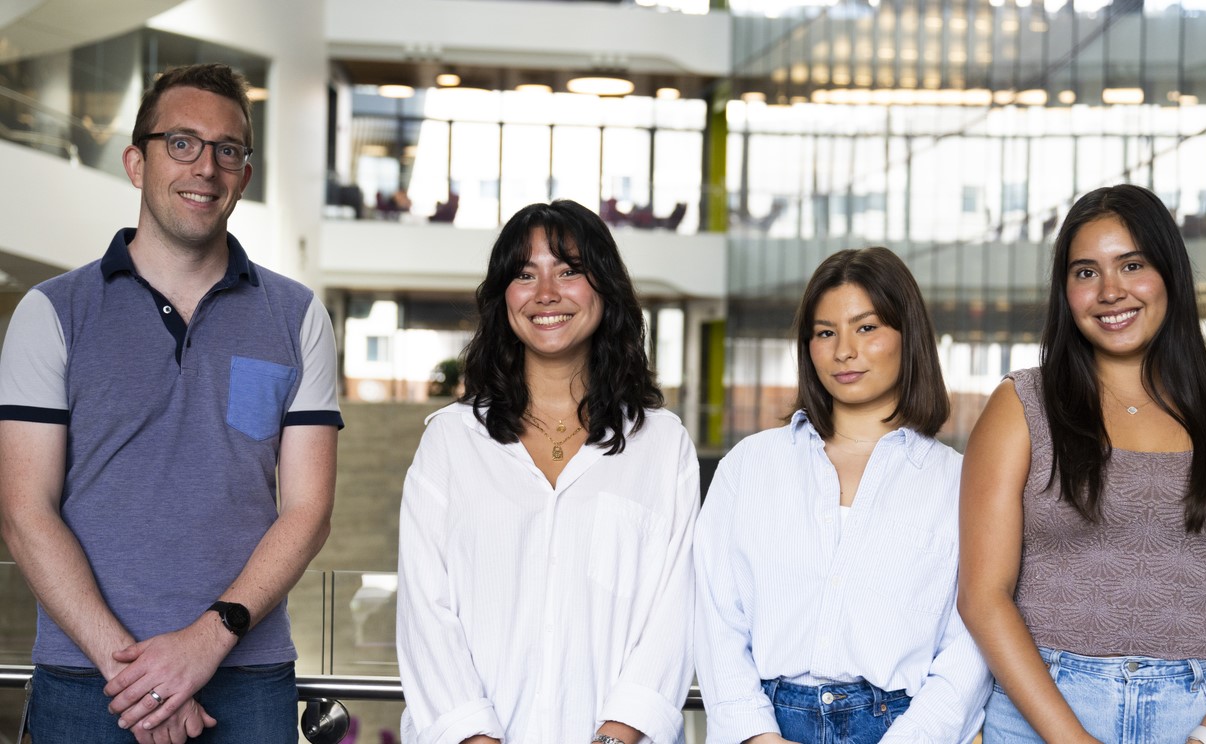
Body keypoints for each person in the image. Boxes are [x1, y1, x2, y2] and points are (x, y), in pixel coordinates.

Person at [0, 63, 342, 743]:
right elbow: (22, 512)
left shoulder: (298, 316)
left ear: (244, 175)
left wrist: (204, 644)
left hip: (245, 678)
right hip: (88, 680)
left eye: (227, 150)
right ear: (136, 161)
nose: (205, 168)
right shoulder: (52, 312)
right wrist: (140, 675)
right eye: (181, 143)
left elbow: (307, 510)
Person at [959, 184, 1206, 744]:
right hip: (1043, 713)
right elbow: (983, 596)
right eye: (1085, 272)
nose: (1110, 291)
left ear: (1169, 273)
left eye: (1132, 264)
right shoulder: (1022, 406)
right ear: (1065, 292)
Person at [396, 199, 699, 744]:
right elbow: (424, 610)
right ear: (502, 298)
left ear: (605, 288)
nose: (546, 294)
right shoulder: (450, 441)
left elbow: (677, 607)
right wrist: (474, 736)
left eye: (569, 271)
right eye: (524, 274)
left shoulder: (662, 445)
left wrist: (617, 735)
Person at [695, 247, 992, 744]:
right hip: (767, 723)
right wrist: (756, 735)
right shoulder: (750, 466)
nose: (843, 351)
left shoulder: (958, 483)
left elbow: (970, 647)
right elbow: (715, 617)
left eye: (867, 327)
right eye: (825, 332)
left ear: (908, 335)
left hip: (902, 726)